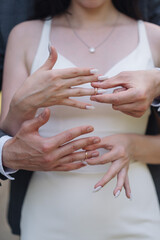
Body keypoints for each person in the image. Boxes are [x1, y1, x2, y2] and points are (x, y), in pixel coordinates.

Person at [1, 0, 160, 239]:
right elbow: (11, 139)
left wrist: (133, 145)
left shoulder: (154, 37)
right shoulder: (24, 35)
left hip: (135, 212)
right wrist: (23, 104)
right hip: (47, 213)